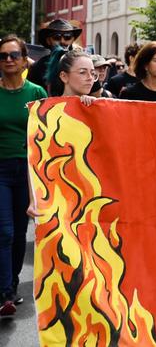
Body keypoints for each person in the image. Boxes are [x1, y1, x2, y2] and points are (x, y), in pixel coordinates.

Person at [0, 35, 48, 316]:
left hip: (29, 171)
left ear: (23, 59)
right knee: (4, 232)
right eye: (3, 56)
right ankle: (5, 292)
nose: (8, 60)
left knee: (19, 233)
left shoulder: (37, 93)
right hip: (1, 170)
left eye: (13, 55)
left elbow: (52, 130)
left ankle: (13, 282)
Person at [27, 19, 82, 90]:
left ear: (73, 39)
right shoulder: (38, 67)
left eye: (67, 37)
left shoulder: (84, 63)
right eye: (57, 37)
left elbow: (95, 95)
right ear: (48, 40)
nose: (62, 41)